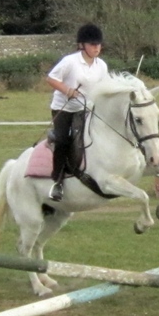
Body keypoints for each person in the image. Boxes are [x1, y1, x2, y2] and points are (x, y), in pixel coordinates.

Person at [45, 23, 109, 201]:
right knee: (63, 140)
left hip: (86, 108)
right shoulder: (70, 62)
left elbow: (104, 88)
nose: (97, 48)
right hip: (64, 108)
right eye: (92, 44)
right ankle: (57, 182)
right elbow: (51, 79)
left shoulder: (101, 66)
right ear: (82, 45)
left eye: (98, 44)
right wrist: (68, 91)